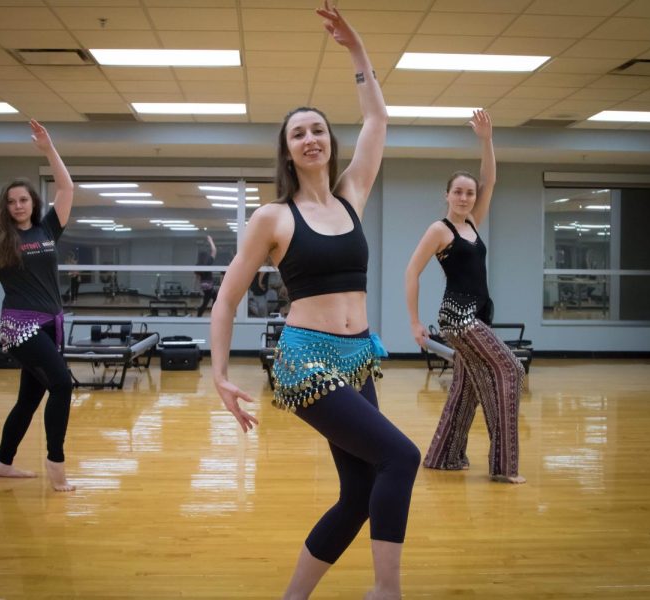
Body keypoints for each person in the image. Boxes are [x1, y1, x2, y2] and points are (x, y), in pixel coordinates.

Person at [210, 4, 420, 599]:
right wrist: (220, 375)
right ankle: (387, 591)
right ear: (288, 150)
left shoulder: (353, 194)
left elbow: (378, 119)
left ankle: (293, 597)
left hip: (359, 356)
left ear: (330, 142)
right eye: (297, 133)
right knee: (401, 458)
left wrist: (357, 53)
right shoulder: (274, 217)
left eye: (318, 130)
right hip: (307, 359)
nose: (310, 138)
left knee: (357, 494)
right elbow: (225, 301)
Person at [404, 109, 526, 484]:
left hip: (477, 315)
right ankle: (504, 467)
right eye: (458, 191)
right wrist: (414, 323)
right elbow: (412, 272)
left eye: (469, 192)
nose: (464, 197)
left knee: (468, 384)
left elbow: (490, 179)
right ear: (447, 195)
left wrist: (486, 139)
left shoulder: (473, 221)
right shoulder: (439, 230)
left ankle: (444, 455)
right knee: (510, 370)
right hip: (458, 317)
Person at [0, 119, 76, 492]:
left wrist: (49, 149)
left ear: (33, 203)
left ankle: (2, 462)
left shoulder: (47, 229)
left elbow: (66, 187)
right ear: (5, 206)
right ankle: (55, 464)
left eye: (23, 200)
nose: (18, 206)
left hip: (50, 323)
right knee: (62, 384)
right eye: (11, 202)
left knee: (30, 398)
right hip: (18, 325)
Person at [195, 234, 217, 317]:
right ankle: (207, 313)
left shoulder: (198, 265)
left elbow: (198, 277)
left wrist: (196, 287)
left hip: (203, 285)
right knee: (210, 299)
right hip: (209, 284)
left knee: (211, 298)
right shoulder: (207, 263)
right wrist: (211, 241)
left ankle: (200, 314)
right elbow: (214, 250)